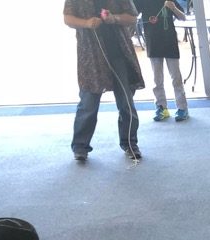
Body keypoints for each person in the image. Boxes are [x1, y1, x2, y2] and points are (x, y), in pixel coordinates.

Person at [63, 0, 146, 163]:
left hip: (118, 53)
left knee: (126, 102)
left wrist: (114, 18)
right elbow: (68, 18)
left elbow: (132, 17)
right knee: (88, 103)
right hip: (90, 55)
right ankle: (80, 146)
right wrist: (86, 23)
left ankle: (130, 143)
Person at [137, 0, 189, 122]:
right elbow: (132, 13)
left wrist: (173, 8)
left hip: (169, 42)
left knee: (176, 77)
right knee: (157, 79)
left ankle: (182, 107)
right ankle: (161, 107)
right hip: (153, 43)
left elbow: (183, 17)